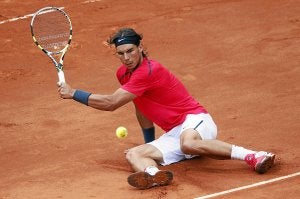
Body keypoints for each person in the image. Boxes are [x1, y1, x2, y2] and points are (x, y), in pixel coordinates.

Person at [58, 27, 275, 189]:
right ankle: (153, 174)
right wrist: (149, 141)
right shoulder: (123, 74)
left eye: (130, 51)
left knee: (188, 143)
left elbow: (111, 103)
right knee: (134, 154)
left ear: (141, 48)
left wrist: (73, 93)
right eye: (120, 53)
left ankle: (254, 155)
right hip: (175, 133)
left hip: (195, 120)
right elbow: (140, 107)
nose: (126, 58)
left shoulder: (150, 71)